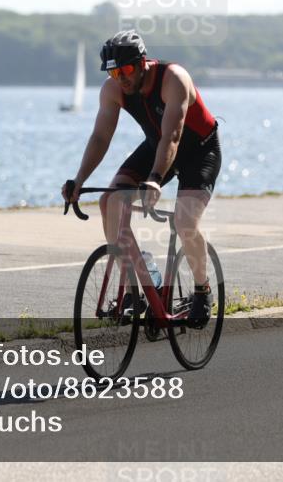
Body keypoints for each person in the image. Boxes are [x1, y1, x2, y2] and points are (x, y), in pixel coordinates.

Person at [61, 30, 221, 325]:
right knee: (110, 201)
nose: (121, 78)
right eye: (114, 71)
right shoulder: (113, 90)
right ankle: (144, 279)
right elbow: (100, 137)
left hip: (197, 150)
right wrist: (79, 180)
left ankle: (202, 290)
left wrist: (155, 179)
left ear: (143, 62)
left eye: (127, 70)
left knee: (186, 222)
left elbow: (173, 135)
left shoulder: (174, 78)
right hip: (156, 146)